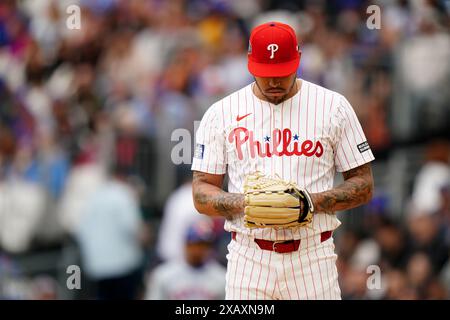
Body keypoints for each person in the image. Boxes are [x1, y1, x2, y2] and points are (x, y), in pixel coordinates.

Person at [191, 21, 375, 300]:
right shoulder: (221, 113)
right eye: (266, 74)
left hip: (312, 256)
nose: (274, 81)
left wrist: (308, 202)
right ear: (249, 63)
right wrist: (247, 203)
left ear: (298, 61)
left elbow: (363, 184)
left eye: (281, 73)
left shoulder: (333, 107)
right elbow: (201, 192)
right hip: (249, 256)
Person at [145, 218, 226, 300]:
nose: (198, 250)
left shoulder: (222, 277)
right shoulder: (163, 275)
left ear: (210, 247)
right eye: (194, 244)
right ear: (186, 245)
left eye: (203, 245)